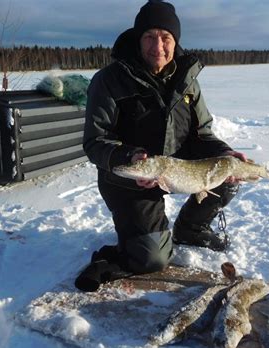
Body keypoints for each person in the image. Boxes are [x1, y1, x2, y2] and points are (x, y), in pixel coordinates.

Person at [76, 0, 247, 292]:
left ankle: (191, 229)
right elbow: (95, 141)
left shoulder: (187, 79)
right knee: (152, 258)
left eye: (166, 38)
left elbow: (201, 134)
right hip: (129, 178)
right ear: (137, 38)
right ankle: (122, 251)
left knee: (227, 172)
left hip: (176, 167)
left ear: (175, 41)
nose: (158, 46)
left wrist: (224, 153)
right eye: (149, 37)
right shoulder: (109, 81)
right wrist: (129, 157)